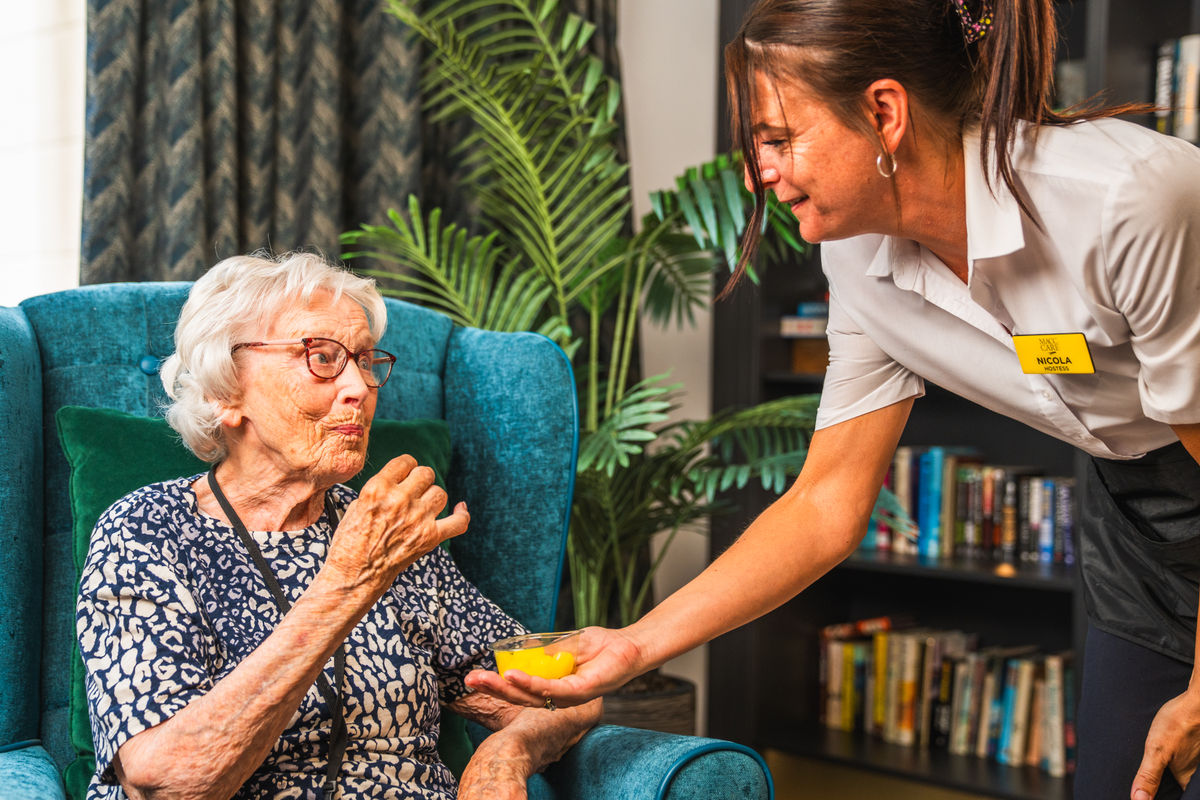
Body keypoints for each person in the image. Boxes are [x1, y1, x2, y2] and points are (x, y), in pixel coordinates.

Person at [467, 1, 1200, 798]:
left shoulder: (1129, 200)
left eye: (779, 140)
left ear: (884, 111)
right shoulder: (856, 257)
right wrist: (634, 645)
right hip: (1134, 513)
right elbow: (825, 502)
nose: (757, 175)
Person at [76, 252, 600, 800]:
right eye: (321, 357)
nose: (359, 386)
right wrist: (350, 580)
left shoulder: (388, 529)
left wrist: (503, 757)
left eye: (365, 360)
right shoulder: (148, 532)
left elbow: (571, 687)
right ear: (224, 392)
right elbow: (168, 781)